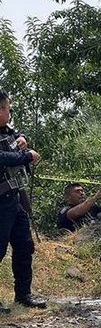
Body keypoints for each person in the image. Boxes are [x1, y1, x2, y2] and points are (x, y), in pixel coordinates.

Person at [0, 89, 44, 313]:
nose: (9, 112)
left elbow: (16, 136)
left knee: (25, 246)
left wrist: (22, 139)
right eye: (7, 108)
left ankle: (23, 294)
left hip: (15, 198)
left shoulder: (6, 129)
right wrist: (25, 156)